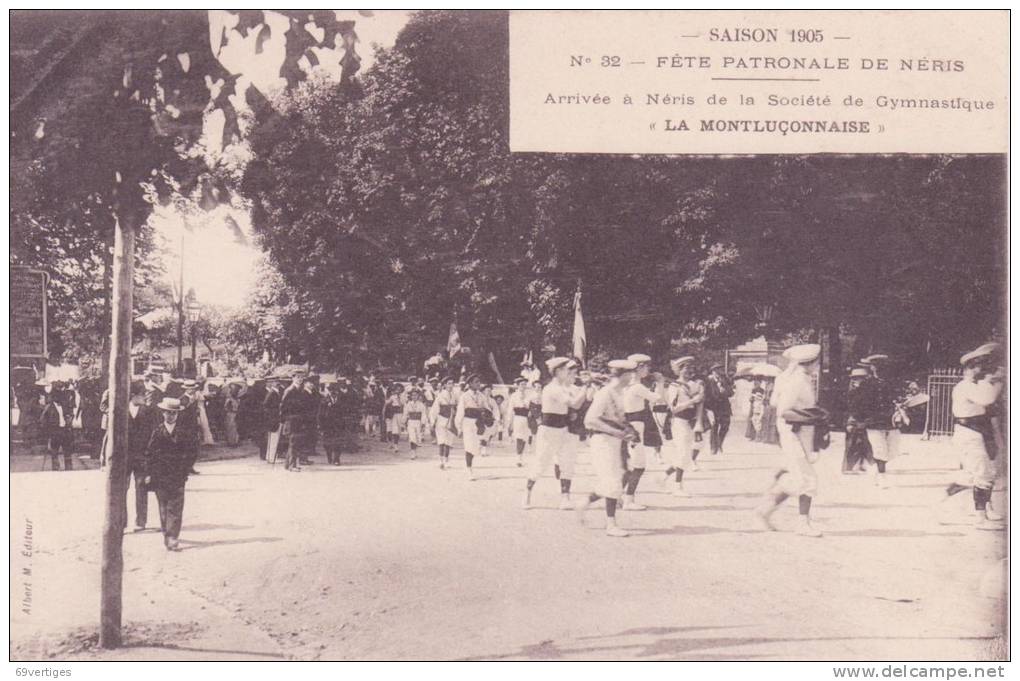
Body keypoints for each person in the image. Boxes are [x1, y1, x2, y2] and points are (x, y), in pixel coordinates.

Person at [753, 344, 826, 537]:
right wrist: (814, 416)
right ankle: (803, 524)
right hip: (794, 432)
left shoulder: (796, 378)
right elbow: (782, 409)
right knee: (808, 479)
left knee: (795, 479)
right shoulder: (797, 381)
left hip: (800, 432)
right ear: (813, 362)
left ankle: (764, 511)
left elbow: (776, 401)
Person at [937, 343, 1005, 530]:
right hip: (969, 433)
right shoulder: (965, 386)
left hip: (981, 432)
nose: (980, 370)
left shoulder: (979, 385)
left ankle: (985, 509)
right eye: (978, 366)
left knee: (988, 472)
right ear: (969, 368)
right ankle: (978, 518)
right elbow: (987, 399)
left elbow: (991, 411)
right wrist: (995, 382)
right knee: (979, 474)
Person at [575, 359, 642, 537]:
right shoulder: (606, 393)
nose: (632, 377)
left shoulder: (619, 393)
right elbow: (590, 420)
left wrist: (628, 431)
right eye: (629, 374)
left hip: (615, 441)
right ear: (621, 375)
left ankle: (584, 502)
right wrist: (617, 433)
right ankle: (610, 524)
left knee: (619, 477)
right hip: (602, 442)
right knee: (613, 481)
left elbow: (617, 418)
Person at [523, 357, 587, 510]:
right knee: (541, 464)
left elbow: (579, 402)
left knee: (567, 462)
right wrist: (586, 386)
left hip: (563, 429)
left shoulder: (566, 387)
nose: (570, 373)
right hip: (549, 430)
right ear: (558, 371)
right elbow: (575, 403)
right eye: (566, 370)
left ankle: (565, 498)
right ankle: (527, 494)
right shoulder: (552, 388)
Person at [144, 397, 193, 551]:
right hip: (160, 475)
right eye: (168, 413)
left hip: (178, 475)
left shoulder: (184, 432)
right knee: (163, 506)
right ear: (163, 413)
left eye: (174, 413)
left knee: (176, 506)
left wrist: (186, 468)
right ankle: (167, 532)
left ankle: (173, 537)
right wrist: (149, 473)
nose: (170, 416)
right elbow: (149, 453)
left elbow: (192, 452)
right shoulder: (157, 431)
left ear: (177, 415)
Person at [621, 353, 665, 510]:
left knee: (630, 464)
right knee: (638, 465)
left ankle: (619, 496)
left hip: (627, 426)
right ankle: (628, 500)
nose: (648, 370)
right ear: (639, 368)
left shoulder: (625, 387)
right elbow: (659, 399)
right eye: (646, 367)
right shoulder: (638, 387)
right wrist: (660, 382)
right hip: (636, 427)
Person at [661, 356, 704, 497]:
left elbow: (700, 404)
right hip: (679, 421)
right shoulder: (674, 387)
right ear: (679, 370)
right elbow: (673, 409)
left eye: (690, 368)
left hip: (691, 422)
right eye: (685, 368)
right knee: (684, 454)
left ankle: (663, 477)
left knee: (685, 454)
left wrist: (699, 422)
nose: (689, 371)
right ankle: (677, 487)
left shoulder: (695, 384)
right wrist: (692, 400)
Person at [858, 354, 899, 488]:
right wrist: (862, 419)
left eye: (883, 366)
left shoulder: (892, 383)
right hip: (874, 422)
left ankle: (875, 469)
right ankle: (882, 476)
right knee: (880, 449)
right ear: (872, 367)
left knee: (891, 452)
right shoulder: (866, 384)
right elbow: (859, 403)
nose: (880, 369)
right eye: (877, 366)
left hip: (890, 422)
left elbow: (898, 400)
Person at [127, 380, 157, 531]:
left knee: (141, 488)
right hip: (124, 457)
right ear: (133, 396)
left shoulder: (149, 411)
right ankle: (121, 521)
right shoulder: (120, 411)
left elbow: (153, 433)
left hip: (142, 456)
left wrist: (149, 453)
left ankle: (141, 522)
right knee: (121, 489)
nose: (144, 397)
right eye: (142, 394)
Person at [281, 372, 317, 471]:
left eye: (301, 377)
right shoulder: (289, 390)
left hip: (299, 421)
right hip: (292, 421)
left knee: (295, 443)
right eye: (297, 377)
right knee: (293, 443)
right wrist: (287, 419)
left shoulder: (300, 390)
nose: (300, 379)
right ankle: (292, 466)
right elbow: (283, 407)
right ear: (293, 378)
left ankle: (288, 465)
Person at [455, 374, 486, 480]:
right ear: (470, 384)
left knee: (475, 446)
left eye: (479, 381)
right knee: (468, 445)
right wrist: (459, 427)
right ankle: (469, 469)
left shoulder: (482, 396)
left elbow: (485, 408)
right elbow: (460, 412)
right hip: (467, 422)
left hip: (478, 422)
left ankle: (469, 466)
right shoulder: (465, 396)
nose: (479, 384)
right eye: (476, 382)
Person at [843, 367, 874, 474]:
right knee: (853, 443)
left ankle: (863, 464)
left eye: (860, 379)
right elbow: (851, 407)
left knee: (863, 442)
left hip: (862, 419)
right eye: (855, 379)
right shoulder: (853, 392)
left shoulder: (865, 391)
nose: (857, 381)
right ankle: (851, 466)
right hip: (855, 419)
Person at [39, 380, 74, 470]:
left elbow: (70, 414)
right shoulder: (49, 407)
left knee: (68, 450)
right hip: (55, 432)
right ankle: (55, 468)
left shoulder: (65, 405)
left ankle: (69, 469)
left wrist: (69, 420)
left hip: (65, 431)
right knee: (54, 451)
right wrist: (48, 433)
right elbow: (43, 421)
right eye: (57, 395)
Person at [705, 363, 735, 455]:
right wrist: (708, 408)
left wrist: (725, 391)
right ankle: (713, 447)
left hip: (725, 407)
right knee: (714, 427)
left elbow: (731, 392)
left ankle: (719, 443)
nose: (719, 372)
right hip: (714, 407)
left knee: (725, 426)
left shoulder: (724, 380)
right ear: (713, 371)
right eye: (717, 371)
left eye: (720, 370)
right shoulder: (708, 380)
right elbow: (706, 394)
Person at [430, 377, 457, 469]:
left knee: (449, 441)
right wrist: (433, 422)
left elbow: (458, 407)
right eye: (448, 383)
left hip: (451, 420)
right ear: (445, 385)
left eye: (452, 383)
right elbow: (434, 409)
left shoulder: (455, 395)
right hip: (442, 419)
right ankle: (441, 461)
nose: (451, 385)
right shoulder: (440, 395)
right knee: (441, 440)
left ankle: (447, 460)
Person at [507, 378, 531, 467]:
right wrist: (510, 421)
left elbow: (531, 407)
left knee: (525, 437)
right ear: (517, 385)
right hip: (517, 418)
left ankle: (521, 456)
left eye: (525, 384)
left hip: (526, 418)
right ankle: (518, 457)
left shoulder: (528, 395)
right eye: (522, 384)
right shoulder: (514, 395)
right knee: (519, 437)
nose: (523, 386)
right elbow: (510, 409)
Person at [263, 377, 284, 464]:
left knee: (274, 439)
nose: (277, 383)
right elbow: (265, 405)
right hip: (273, 419)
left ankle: (270, 457)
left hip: (275, 418)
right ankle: (271, 458)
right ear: (271, 383)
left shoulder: (276, 392)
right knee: (273, 439)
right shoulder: (272, 393)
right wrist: (272, 415)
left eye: (278, 382)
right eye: (275, 382)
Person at [404, 389, 427, 459]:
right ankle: (413, 453)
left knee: (417, 437)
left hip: (418, 422)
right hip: (411, 422)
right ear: (411, 396)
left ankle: (415, 451)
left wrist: (423, 423)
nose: (414, 397)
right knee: (412, 437)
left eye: (416, 395)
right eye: (413, 395)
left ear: (418, 396)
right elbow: (405, 414)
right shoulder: (408, 404)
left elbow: (424, 414)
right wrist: (404, 422)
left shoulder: (421, 404)